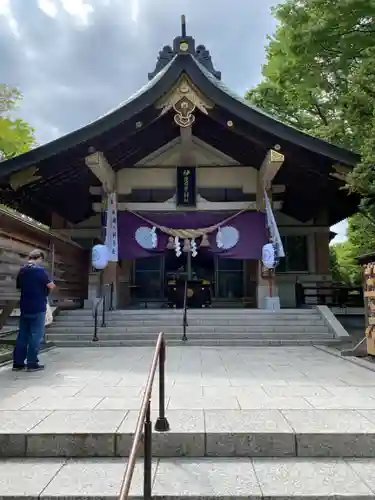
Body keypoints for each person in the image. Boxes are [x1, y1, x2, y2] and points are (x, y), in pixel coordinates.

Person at [13, 249, 56, 372]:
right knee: (35, 336)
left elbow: (19, 287)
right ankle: (32, 363)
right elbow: (51, 285)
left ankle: (18, 363)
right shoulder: (40, 271)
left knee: (22, 335)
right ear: (40, 258)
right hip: (38, 306)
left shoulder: (22, 271)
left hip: (25, 306)